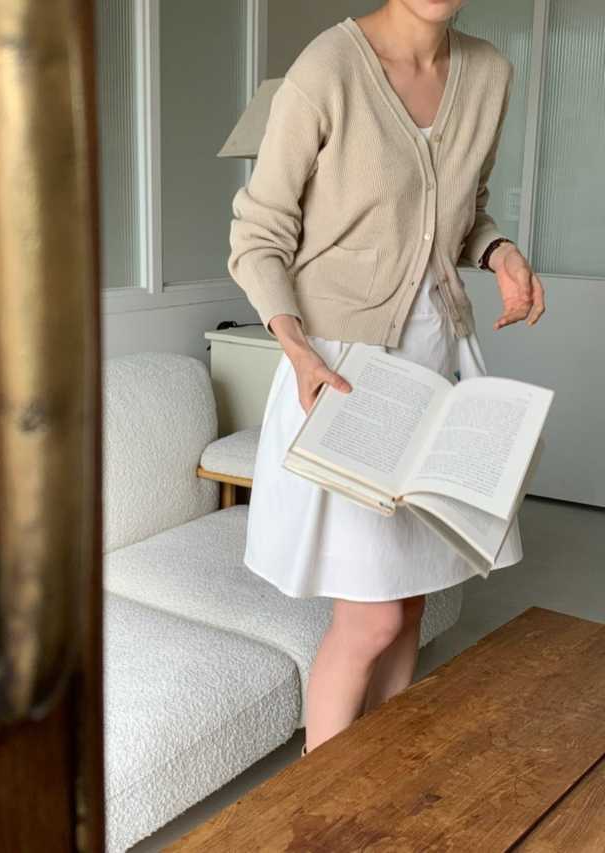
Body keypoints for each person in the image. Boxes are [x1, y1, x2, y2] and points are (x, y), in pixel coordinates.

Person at [227, 0, 546, 756]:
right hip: (341, 370)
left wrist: (499, 252)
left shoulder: (490, 74)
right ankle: (323, 802)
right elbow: (258, 233)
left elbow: (460, 215)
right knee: (369, 618)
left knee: (408, 607)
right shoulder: (328, 68)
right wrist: (295, 345)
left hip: (438, 360)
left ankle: (379, 785)